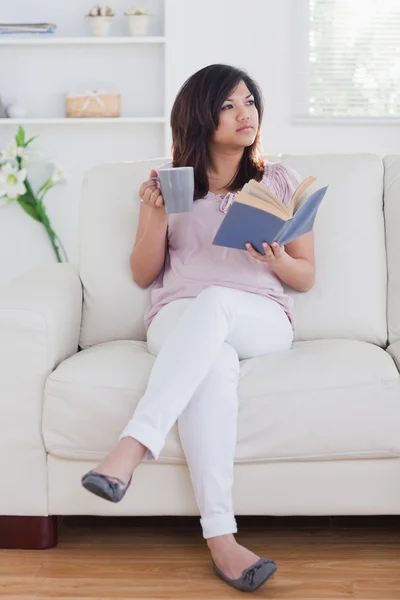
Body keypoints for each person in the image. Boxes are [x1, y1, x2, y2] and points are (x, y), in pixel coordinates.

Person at [81, 63, 315, 593]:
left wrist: (277, 258)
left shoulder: (280, 180)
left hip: (260, 316)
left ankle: (131, 450)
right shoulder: (170, 183)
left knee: (217, 303)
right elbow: (144, 273)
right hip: (178, 318)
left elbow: (306, 275)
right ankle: (223, 541)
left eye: (249, 101)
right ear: (200, 116)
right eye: (229, 104)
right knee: (212, 363)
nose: (245, 113)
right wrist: (156, 214)